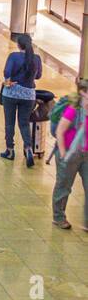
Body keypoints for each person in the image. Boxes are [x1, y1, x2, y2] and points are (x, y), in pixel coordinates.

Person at [0, 33, 41, 168]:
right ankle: (28, 148)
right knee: (24, 123)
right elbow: (39, 76)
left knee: (9, 123)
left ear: (18, 45)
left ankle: (10, 151)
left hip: (11, 93)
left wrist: (7, 82)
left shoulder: (14, 56)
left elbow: (7, 72)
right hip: (29, 95)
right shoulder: (36, 58)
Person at [52, 77, 88, 231]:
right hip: (68, 153)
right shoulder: (73, 110)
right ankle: (59, 217)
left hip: (85, 154)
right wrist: (62, 153)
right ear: (83, 93)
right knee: (64, 186)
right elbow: (60, 131)